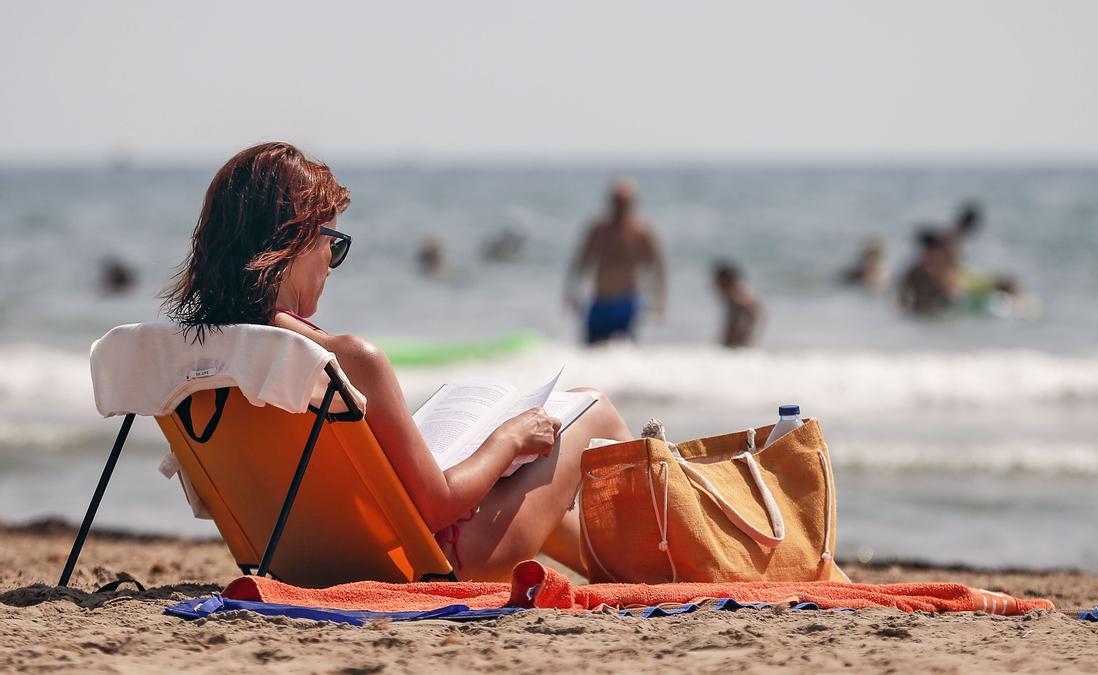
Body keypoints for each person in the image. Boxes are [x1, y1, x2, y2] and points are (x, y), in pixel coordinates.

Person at [161, 143, 633, 581]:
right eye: (333, 244)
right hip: (435, 561)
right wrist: (509, 439)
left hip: (303, 560)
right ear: (297, 240)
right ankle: (666, 548)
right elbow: (437, 505)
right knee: (592, 407)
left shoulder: (204, 356)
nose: (331, 264)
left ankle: (637, 570)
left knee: (537, 498)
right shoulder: (345, 359)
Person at [564, 178, 666, 344]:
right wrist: (571, 293)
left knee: (625, 347)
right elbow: (580, 262)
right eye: (616, 202)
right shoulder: (598, 231)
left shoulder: (640, 233)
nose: (620, 207)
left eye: (624, 203)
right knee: (591, 347)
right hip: (600, 301)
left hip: (626, 303)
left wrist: (659, 302)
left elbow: (657, 267)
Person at [898, 227, 958, 317]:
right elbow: (902, 299)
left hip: (937, 316)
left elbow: (954, 299)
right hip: (920, 315)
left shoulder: (946, 274)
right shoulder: (915, 272)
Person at [712, 261, 763, 348]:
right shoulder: (735, 291)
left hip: (744, 330)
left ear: (726, 280)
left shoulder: (736, 293)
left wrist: (742, 332)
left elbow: (752, 312)